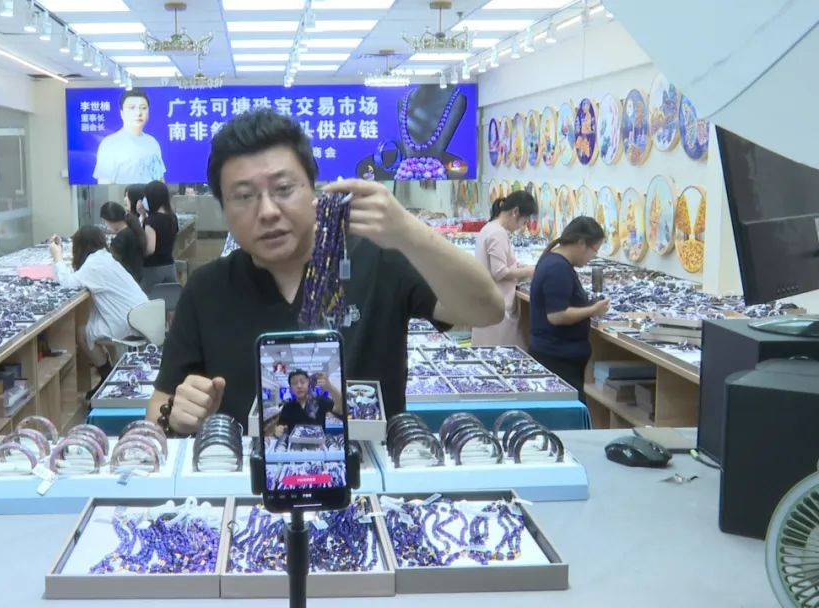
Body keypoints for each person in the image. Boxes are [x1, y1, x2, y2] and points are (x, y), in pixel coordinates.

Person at [147, 109, 504, 435]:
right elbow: (159, 408)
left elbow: (486, 310)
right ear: (224, 208)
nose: (268, 211)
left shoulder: (377, 259)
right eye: (243, 196)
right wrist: (175, 414)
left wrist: (409, 233)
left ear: (313, 189)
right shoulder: (206, 290)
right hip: (248, 482)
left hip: (371, 477)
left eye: (283, 189)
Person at [528, 216, 611, 404]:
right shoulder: (557, 268)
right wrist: (592, 310)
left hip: (558, 355)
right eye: (594, 251)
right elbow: (557, 316)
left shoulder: (555, 262)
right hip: (557, 359)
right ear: (581, 243)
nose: (591, 258)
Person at [48, 226, 148, 380]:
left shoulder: (94, 265)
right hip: (142, 315)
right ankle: (108, 371)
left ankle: (105, 375)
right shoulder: (105, 258)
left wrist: (57, 257)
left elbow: (67, 283)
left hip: (128, 322)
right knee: (90, 324)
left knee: (82, 333)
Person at [472, 191, 539, 347]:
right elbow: (500, 272)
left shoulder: (490, 228)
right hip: (496, 305)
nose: (523, 225)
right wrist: (531, 271)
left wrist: (518, 267)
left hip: (487, 304)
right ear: (515, 212)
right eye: (524, 220)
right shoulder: (498, 233)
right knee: (500, 351)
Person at [92, 90, 165, 185]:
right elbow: (104, 184)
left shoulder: (153, 142)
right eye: (132, 108)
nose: (138, 113)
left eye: (143, 108)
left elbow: (160, 180)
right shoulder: (109, 144)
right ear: (122, 113)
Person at [139, 180, 179, 292]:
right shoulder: (172, 217)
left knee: (149, 299)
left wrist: (138, 254)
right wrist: (143, 215)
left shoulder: (152, 220)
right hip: (170, 265)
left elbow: (150, 249)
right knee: (170, 297)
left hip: (153, 269)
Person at [275, 370, 341, 436]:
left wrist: (330, 387)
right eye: (295, 383)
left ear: (308, 385)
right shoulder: (287, 407)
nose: (299, 386)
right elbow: (282, 424)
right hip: (295, 442)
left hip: (318, 442)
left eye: (303, 382)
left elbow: (340, 409)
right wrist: (280, 428)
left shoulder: (320, 401)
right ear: (291, 388)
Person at [99, 201, 146, 283]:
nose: (106, 225)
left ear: (111, 220)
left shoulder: (121, 238)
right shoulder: (133, 231)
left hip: (125, 280)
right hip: (136, 277)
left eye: (105, 221)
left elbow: (113, 263)